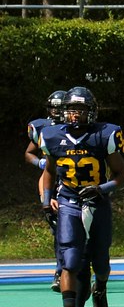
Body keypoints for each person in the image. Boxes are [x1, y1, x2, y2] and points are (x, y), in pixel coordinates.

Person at [40, 87, 124, 307]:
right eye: (71, 110)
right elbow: (48, 172)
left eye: (80, 110)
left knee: (100, 262)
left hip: (97, 203)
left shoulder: (105, 134)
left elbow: (123, 177)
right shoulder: (51, 135)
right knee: (71, 259)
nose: (75, 116)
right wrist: (47, 202)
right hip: (69, 201)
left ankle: (100, 287)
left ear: (91, 112)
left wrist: (101, 189)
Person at [26, 89, 67, 292]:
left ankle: (74, 269)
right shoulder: (42, 127)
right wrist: (40, 162)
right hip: (50, 180)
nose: (57, 112)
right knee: (58, 230)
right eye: (54, 107)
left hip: (73, 180)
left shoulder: (78, 127)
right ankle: (60, 271)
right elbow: (29, 153)